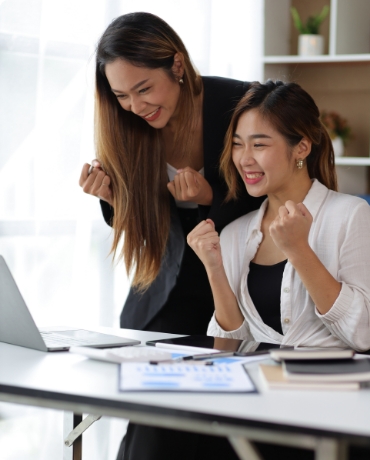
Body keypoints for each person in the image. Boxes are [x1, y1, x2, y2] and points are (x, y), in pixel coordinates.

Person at [78, 11, 264, 460]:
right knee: (155, 424)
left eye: (144, 89)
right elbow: (142, 221)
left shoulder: (241, 104)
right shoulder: (126, 126)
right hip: (168, 295)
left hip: (237, 283)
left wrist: (210, 197)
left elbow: (273, 190)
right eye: (122, 95)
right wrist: (112, 200)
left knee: (208, 427)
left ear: (177, 66)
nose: (136, 107)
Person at [187, 79, 370, 459]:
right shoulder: (236, 234)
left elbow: (364, 334)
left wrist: (298, 249)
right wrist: (214, 268)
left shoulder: (349, 215)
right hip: (265, 406)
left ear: (301, 146)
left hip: (339, 411)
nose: (244, 158)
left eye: (259, 144)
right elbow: (227, 350)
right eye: (237, 143)